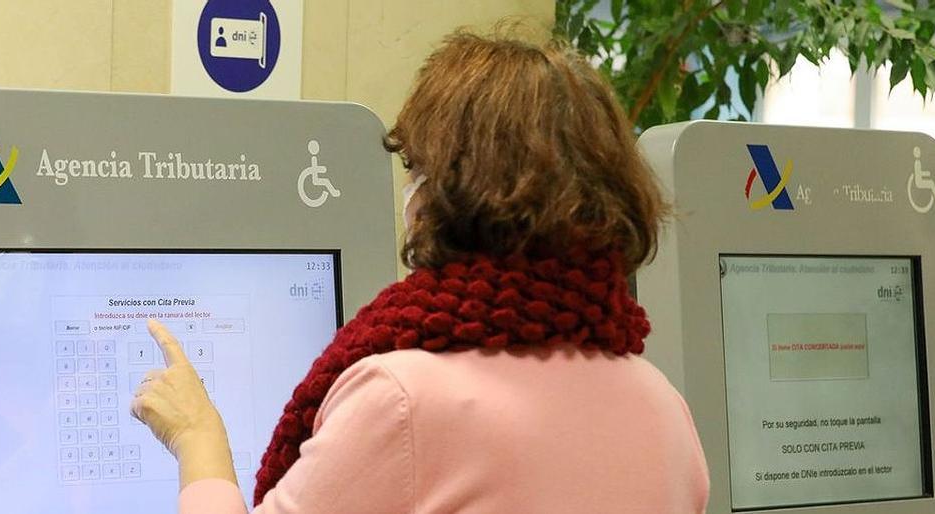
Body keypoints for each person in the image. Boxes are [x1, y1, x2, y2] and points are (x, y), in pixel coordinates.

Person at [132, 30, 710, 513]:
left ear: (454, 187)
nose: (409, 189)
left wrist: (197, 438)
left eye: (416, 167)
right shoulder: (661, 405)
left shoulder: (403, 399)